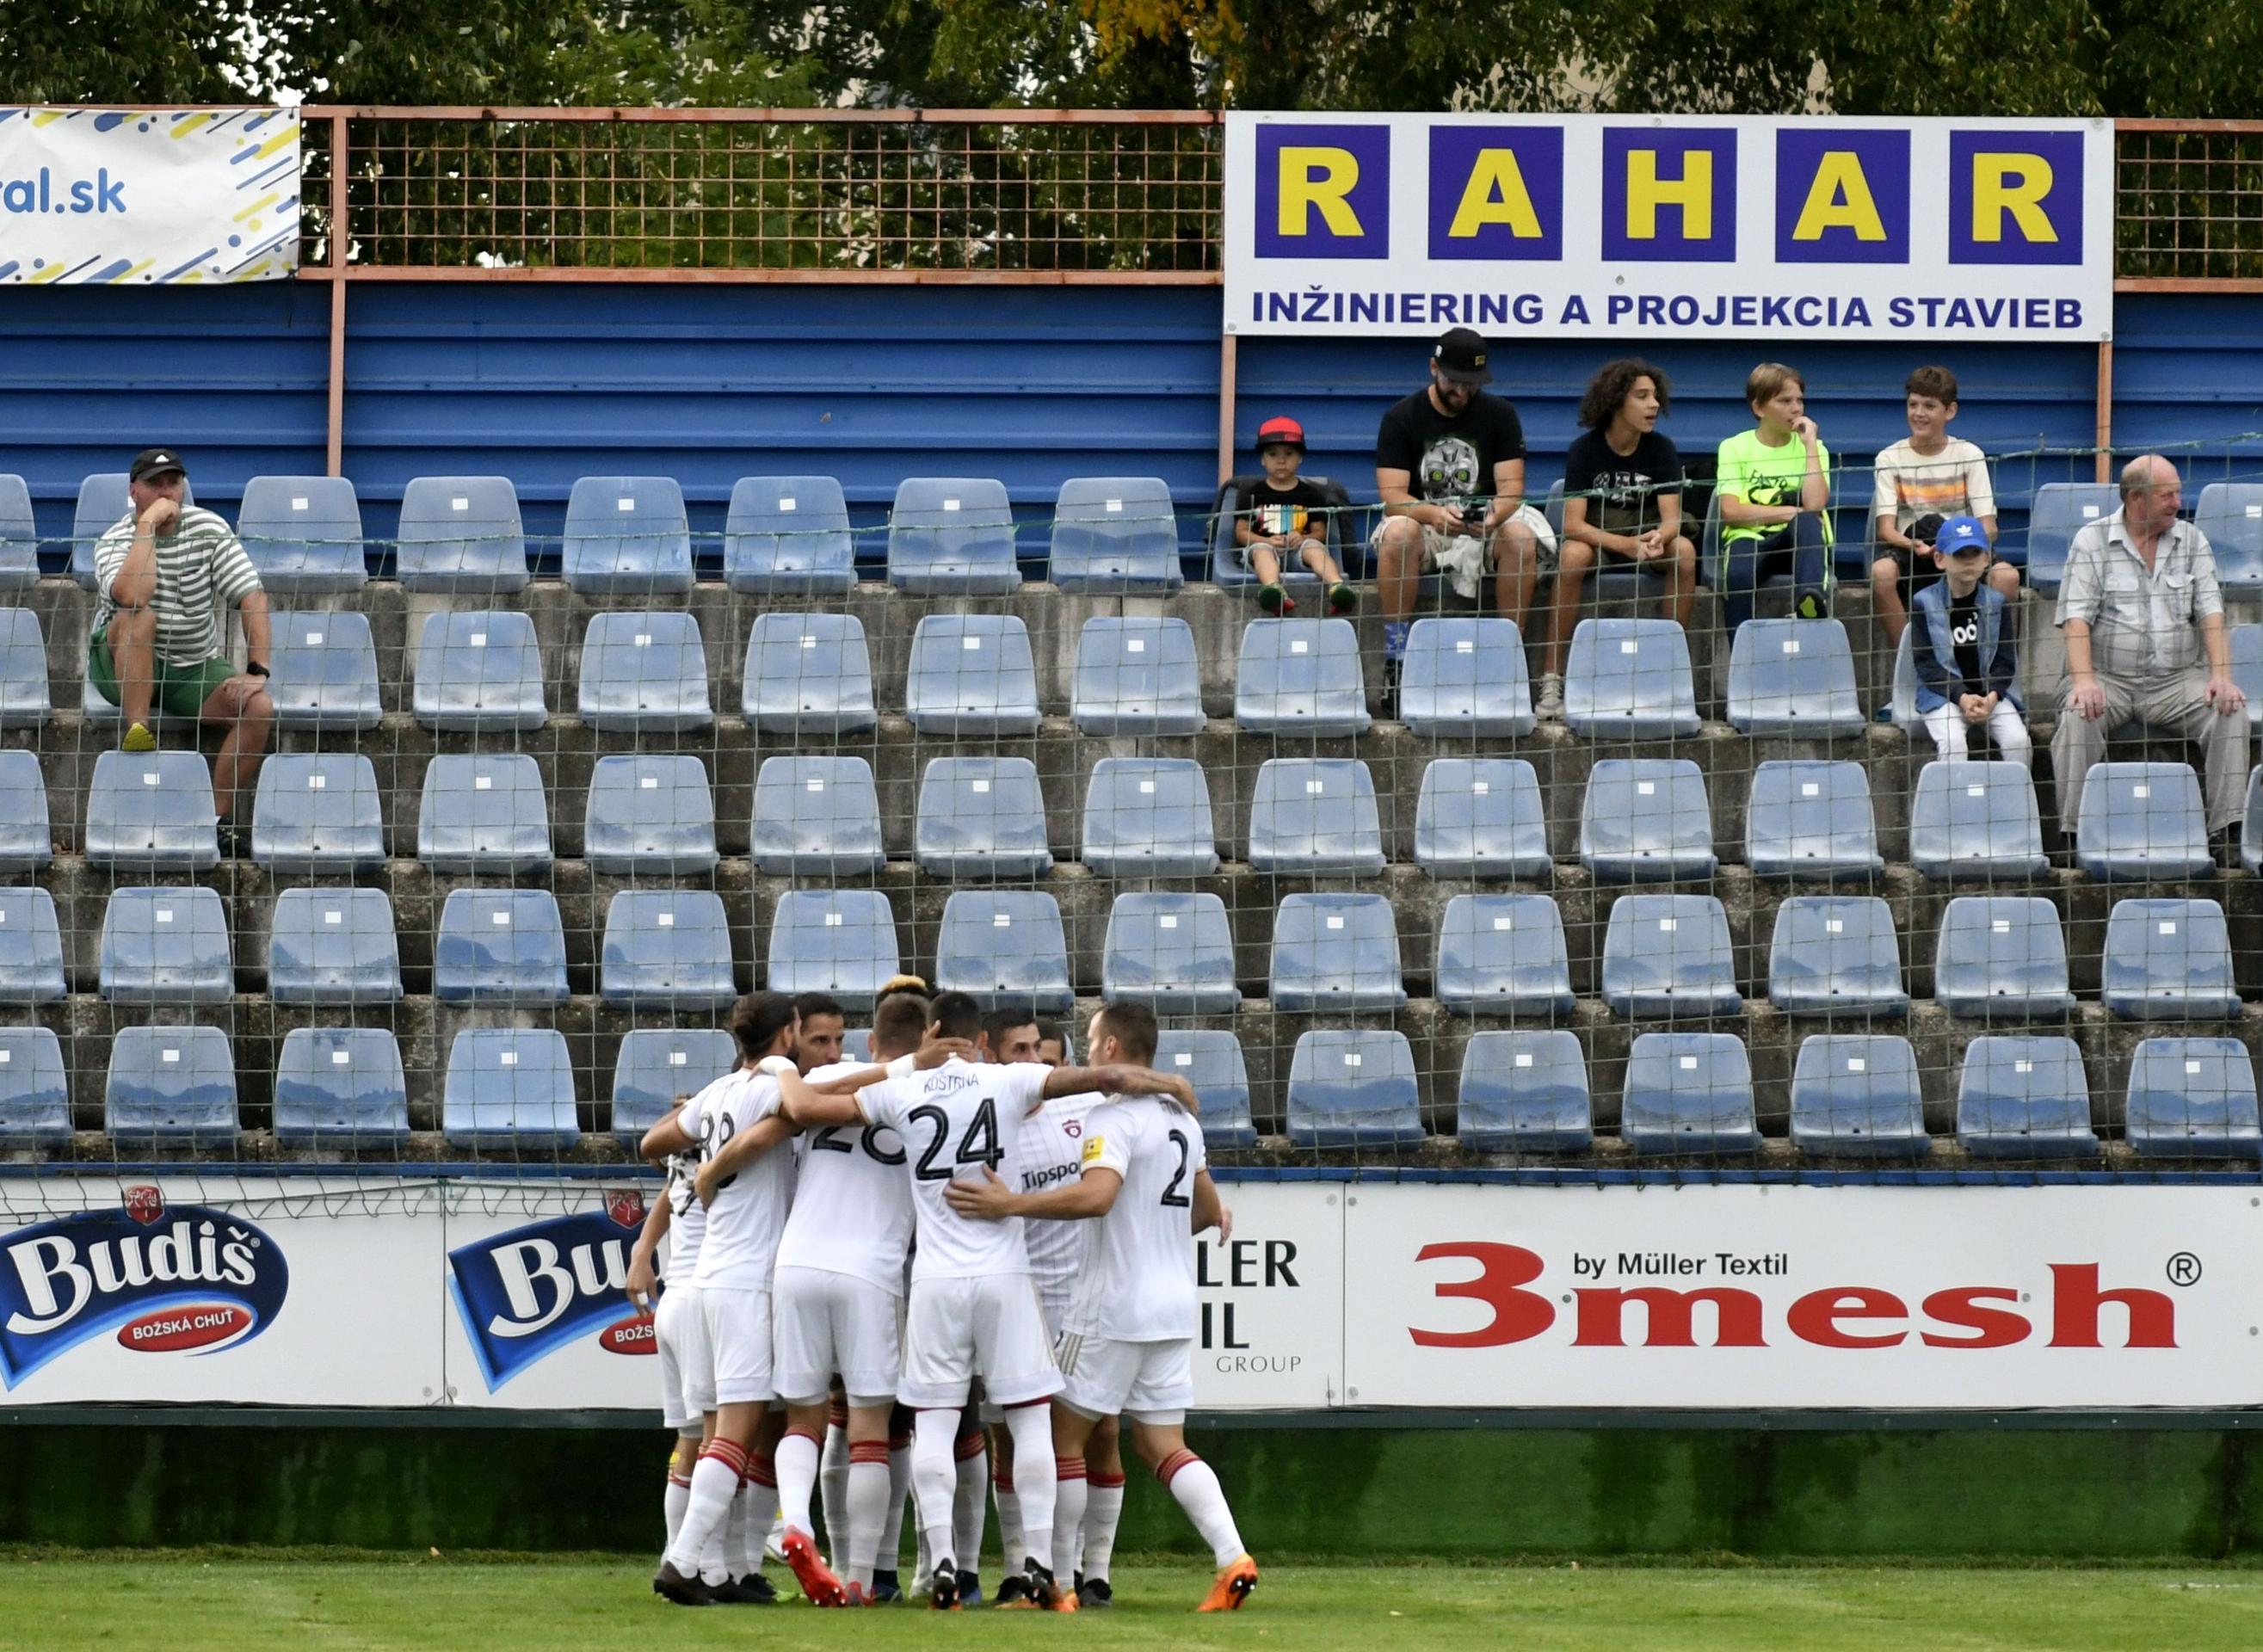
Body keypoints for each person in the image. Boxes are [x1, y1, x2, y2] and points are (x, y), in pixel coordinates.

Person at [780, 989, 1199, 1612]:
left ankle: (943, 1562)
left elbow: (808, 1108)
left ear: (933, 1032)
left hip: (937, 1282)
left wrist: (896, 1068)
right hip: (1004, 1274)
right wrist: (1170, 1085)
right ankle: (1038, 1567)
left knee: (936, 1422)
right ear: (981, 1041)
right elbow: (1106, 1073)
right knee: (1030, 1420)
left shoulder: (902, 1090)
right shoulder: (1009, 1081)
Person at [945, 1002, 1257, 1613]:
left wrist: (1012, 1205)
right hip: (1171, 1305)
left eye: (1091, 1041)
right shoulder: (1180, 1120)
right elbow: (1204, 1211)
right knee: (1163, 1444)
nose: (1086, 1051)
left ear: (1112, 1048)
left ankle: (1052, 1584)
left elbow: (1096, 1198)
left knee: (1060, 1442)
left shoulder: (1109, 1120)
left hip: (1111, 1305)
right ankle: (1232, 1558)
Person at [767, 990, 927, 1607]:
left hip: (796, 1262)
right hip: (870, 1270)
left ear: (871, 1042)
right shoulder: (926, 1094)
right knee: (868, 1430)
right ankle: (860, 1579)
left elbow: (773, 1132)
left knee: (804, 1420)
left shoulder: (824, 1078)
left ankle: (800, 1532)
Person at [651, 994, 805, 1606]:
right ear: (787, 1034)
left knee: (714, 1433)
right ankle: (682, 1561)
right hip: (745, 1279)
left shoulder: (714, 1093)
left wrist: (708, 1159)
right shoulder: (774, 1083)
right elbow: (801, 1106)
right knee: (736, 1435)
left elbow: (650, 1143)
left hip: (706, 1277)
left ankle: (711, 1570)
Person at [2053, 454, 2248, 859]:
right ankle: (2074, 835)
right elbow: (2076, 621)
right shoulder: (2091, 541)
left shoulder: (2192, 541)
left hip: (2176, 681)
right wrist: (2085, 682)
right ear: (2136, 499)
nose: (2178, 502)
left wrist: (2220, 676)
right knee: (2077, 715)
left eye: (2178, 492)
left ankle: (2226, 832)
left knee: (2230, 709)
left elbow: (2212, 614)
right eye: (2168, 495)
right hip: (2109, 678)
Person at [89, 447, 274, 851]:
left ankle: (214, 821)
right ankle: (138, 730)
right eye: (155, 484)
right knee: (141, 617)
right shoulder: (114, 540)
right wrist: (147, 530)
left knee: (260, 709)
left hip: (192, 666)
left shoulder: (209, 529)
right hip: (121, 663)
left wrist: (257, 670)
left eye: (174, 483)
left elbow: (252, 597)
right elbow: (134, 595)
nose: (167, 492)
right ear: (134, 491)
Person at [1372, 328, 1540, 688]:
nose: (1463, 392)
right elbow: (1392, 494)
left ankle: (1511, 657)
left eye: (1472, 384)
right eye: (1455, 381)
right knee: (1399, 533)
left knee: (1522, 539)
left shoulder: (1501, 414)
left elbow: (1512, 488)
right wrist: (1432, 514)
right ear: (1434, 368)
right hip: (1425, 523)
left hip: (1485, 521)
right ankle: (1396, 660)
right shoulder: (1401, 417)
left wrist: (1494, 515)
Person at [1538, 358, 1697, 718]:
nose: (1654, 405)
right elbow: (1574, 524)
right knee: (1572, 555)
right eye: (1642, 396)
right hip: (1600, 537)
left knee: (1684, 551)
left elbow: (1672, 519)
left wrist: (1661, 536)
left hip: (1646, 532)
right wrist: (1624, 545)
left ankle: (1671, 672)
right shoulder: (1585, 450)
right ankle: (1552, 677)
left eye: (1655, 396)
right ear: (1615, 402)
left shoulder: (1662, 449)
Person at [1871, 367, 2018, 669]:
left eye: (1929, 406)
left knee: (2008, 577)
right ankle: (1911, 669)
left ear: (1950, 411)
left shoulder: (1969, 454)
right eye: (1913, 405)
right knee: (1882, 573)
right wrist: (1916, 546)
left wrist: (1964, 546)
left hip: (1963, 541)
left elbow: (1988, 526)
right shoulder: (1890, 458)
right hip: (1914, 544)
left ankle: (1990, 665)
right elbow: (1886, 529)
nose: (1919, 414)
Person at [1714, 364, 1832, 636]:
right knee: (1738, 574)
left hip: (1798, 545)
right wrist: (1789, 512)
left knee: (1808, 522)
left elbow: (1814, 506)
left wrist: (1810, 446)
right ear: (1759, 408)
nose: (1796, 408)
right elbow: (1730, 510)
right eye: (1785, 401)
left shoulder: (1814, 448)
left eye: (1800, 400)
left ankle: (1810, 603)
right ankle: (1741, 655)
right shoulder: (1734, 447)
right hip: (1749, 538)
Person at [1907, 515, 2031, 767]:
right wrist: (1962, 696)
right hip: (1943, 696)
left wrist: (1992, 697)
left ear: (1986, 559)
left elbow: (2005, 662)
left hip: (1989, 696)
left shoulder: (1997, 603)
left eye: (1975, 553)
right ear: (1940, 559)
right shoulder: (1923, 602)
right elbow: (1927, 666)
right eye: (1960, 554)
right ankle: (1953, 805)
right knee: (1953, 742)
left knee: (2018, 740)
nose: (1968, 561)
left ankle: (2017, 803)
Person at [1232, 416, 1355, 615]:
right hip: (1265, 549)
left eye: (1289, 454)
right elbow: (1241, 532)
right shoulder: (1252, 493)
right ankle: (1273, 590)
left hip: (1299, 552)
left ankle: (1337, 587)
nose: (1281, 461)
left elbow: (1320, 532)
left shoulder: (1312, 493)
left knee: (1315, 548)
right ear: (1263, 459)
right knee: (1261, 550)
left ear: (1300, 458)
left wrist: (1304, 537)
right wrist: (1267, 540)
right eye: (1273, 454)